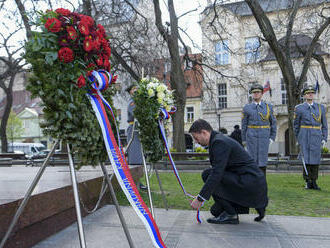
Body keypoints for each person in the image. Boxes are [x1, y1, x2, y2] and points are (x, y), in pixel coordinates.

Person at [189, 119, 268, 224]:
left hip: (249, 183)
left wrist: (200, 198)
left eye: (196, 138)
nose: (196, 141)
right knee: (215, 211)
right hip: (253, 182)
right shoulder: (219, 139)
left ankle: (231, 214)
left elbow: (217, 173)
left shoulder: (219, 142)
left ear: (204, 132)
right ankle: (240, 210)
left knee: (207, 174)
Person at [294, 85, 328, 190]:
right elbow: (296, 125)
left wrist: (324, 138)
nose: (310, 94)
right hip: (304, 134)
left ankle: (314, 181)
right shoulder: (299, 108)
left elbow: (325, 125)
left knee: (315, 158)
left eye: (312, 93)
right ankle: (307, 181)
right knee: (306, 158)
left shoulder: (321, 108)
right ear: (304, 95)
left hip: (316, 135)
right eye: (308, 93)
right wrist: (298, 138)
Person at [241, 83, 277, 175]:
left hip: (264, 136)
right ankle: (253, 182)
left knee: (262, 159)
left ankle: (262, 182)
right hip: (251, 136)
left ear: (262, 94)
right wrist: (244, 140)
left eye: (258, 92)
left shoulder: (269, 107)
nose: (256, 94)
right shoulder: (247, 108)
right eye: (254, 92)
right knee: (252, 159)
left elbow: (273, 123)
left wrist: (272, 137)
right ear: (252, 94)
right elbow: (244, 125)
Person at [126, 84, 147, 190]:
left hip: (139, 130)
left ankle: (138, 181)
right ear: (130, 92)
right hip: (133, 131)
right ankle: (134, 182)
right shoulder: (132, 102)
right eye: (134, 89)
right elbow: (136, 113)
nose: (136, 90)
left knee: (139, 158)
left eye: (138, 89)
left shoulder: (139, 102)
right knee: (134, 158)